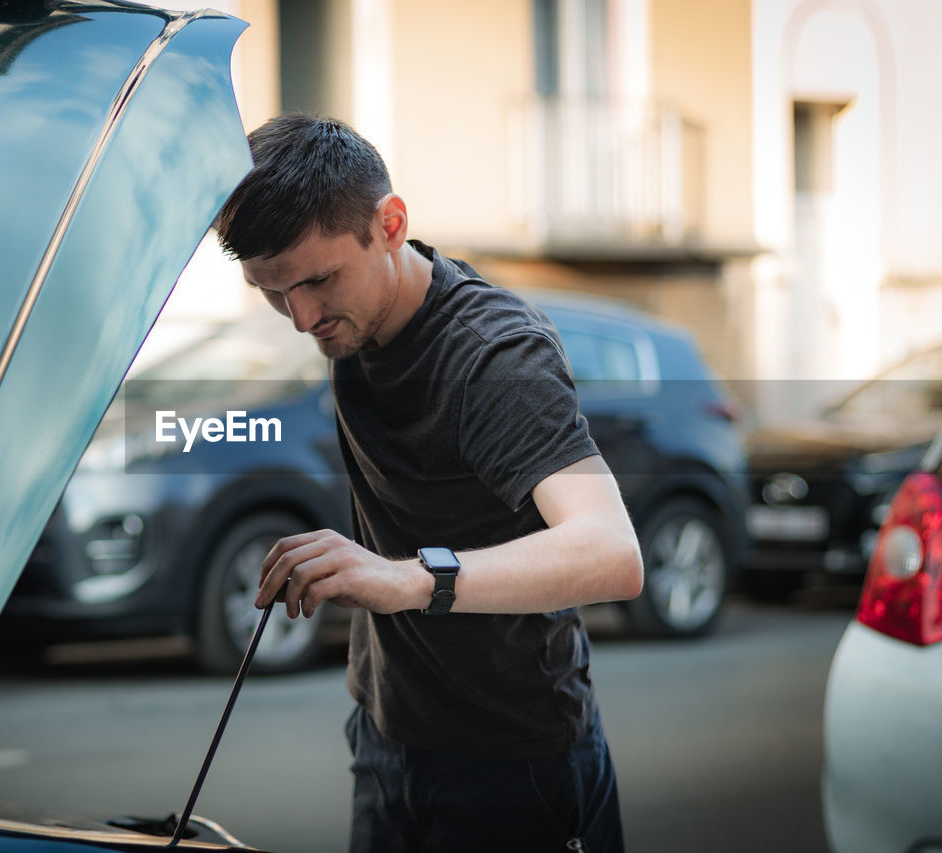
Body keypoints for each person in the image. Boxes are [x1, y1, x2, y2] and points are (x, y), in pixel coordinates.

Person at [214, 114, 643, 853]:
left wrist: (407, 578)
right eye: (273, 291)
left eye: (318, 280)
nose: (301, 317)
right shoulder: (347, 318)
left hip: (515, 763)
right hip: (386, 735)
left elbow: (612, 552)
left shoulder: (494, 357)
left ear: (390, 224)